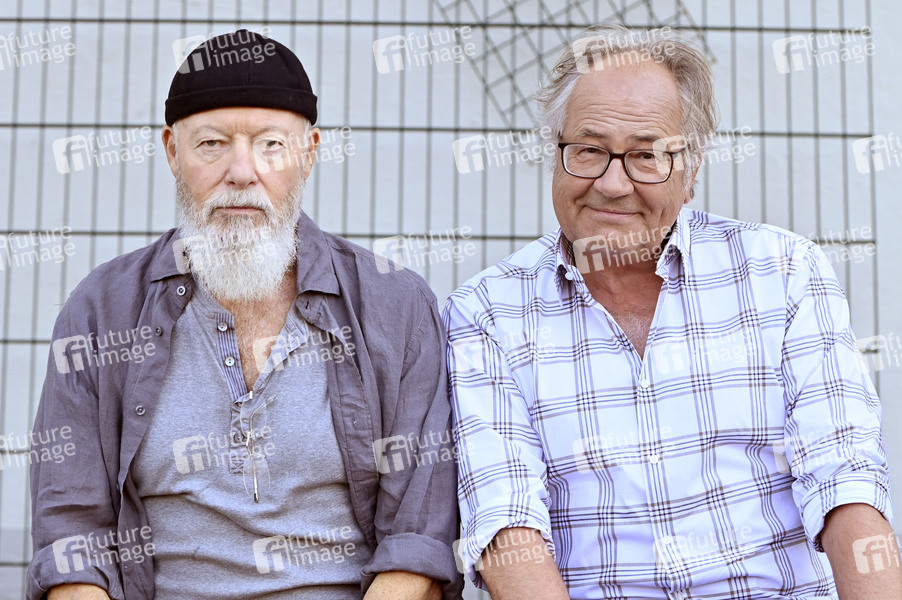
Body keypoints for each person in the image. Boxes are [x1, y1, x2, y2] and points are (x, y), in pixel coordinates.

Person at [444, 24, 901, 600]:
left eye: (646, 156)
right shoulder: (488, 310)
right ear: (555, 153)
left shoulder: (783, 271)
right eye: (589, 150)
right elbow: (506, 520)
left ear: (692, 169)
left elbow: (844, 475)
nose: (612, 184)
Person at [28, 30, 462, 600]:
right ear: (172, 151)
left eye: (270, 144)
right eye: (211, 144)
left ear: (309, 153)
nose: (241, 171)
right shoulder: (101, 310)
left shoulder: (395, 305)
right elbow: (71, 541)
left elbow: (418, 541)